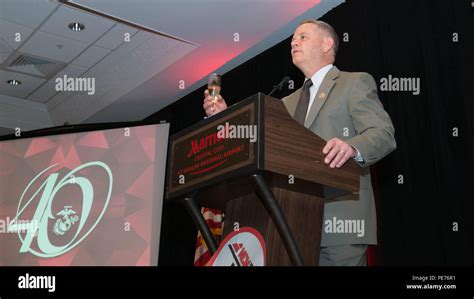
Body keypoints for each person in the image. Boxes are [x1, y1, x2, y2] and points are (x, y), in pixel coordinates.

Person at [203, 19, 396, 266]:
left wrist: (352, 147)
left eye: (303, 37)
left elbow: (382, 133)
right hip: (291, 225)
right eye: (293, 39)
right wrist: (225, 117)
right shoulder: (286, 102)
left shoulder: (353, 83)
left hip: (339, 223)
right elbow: (261, 143)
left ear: (327, 44)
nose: (294, 42)